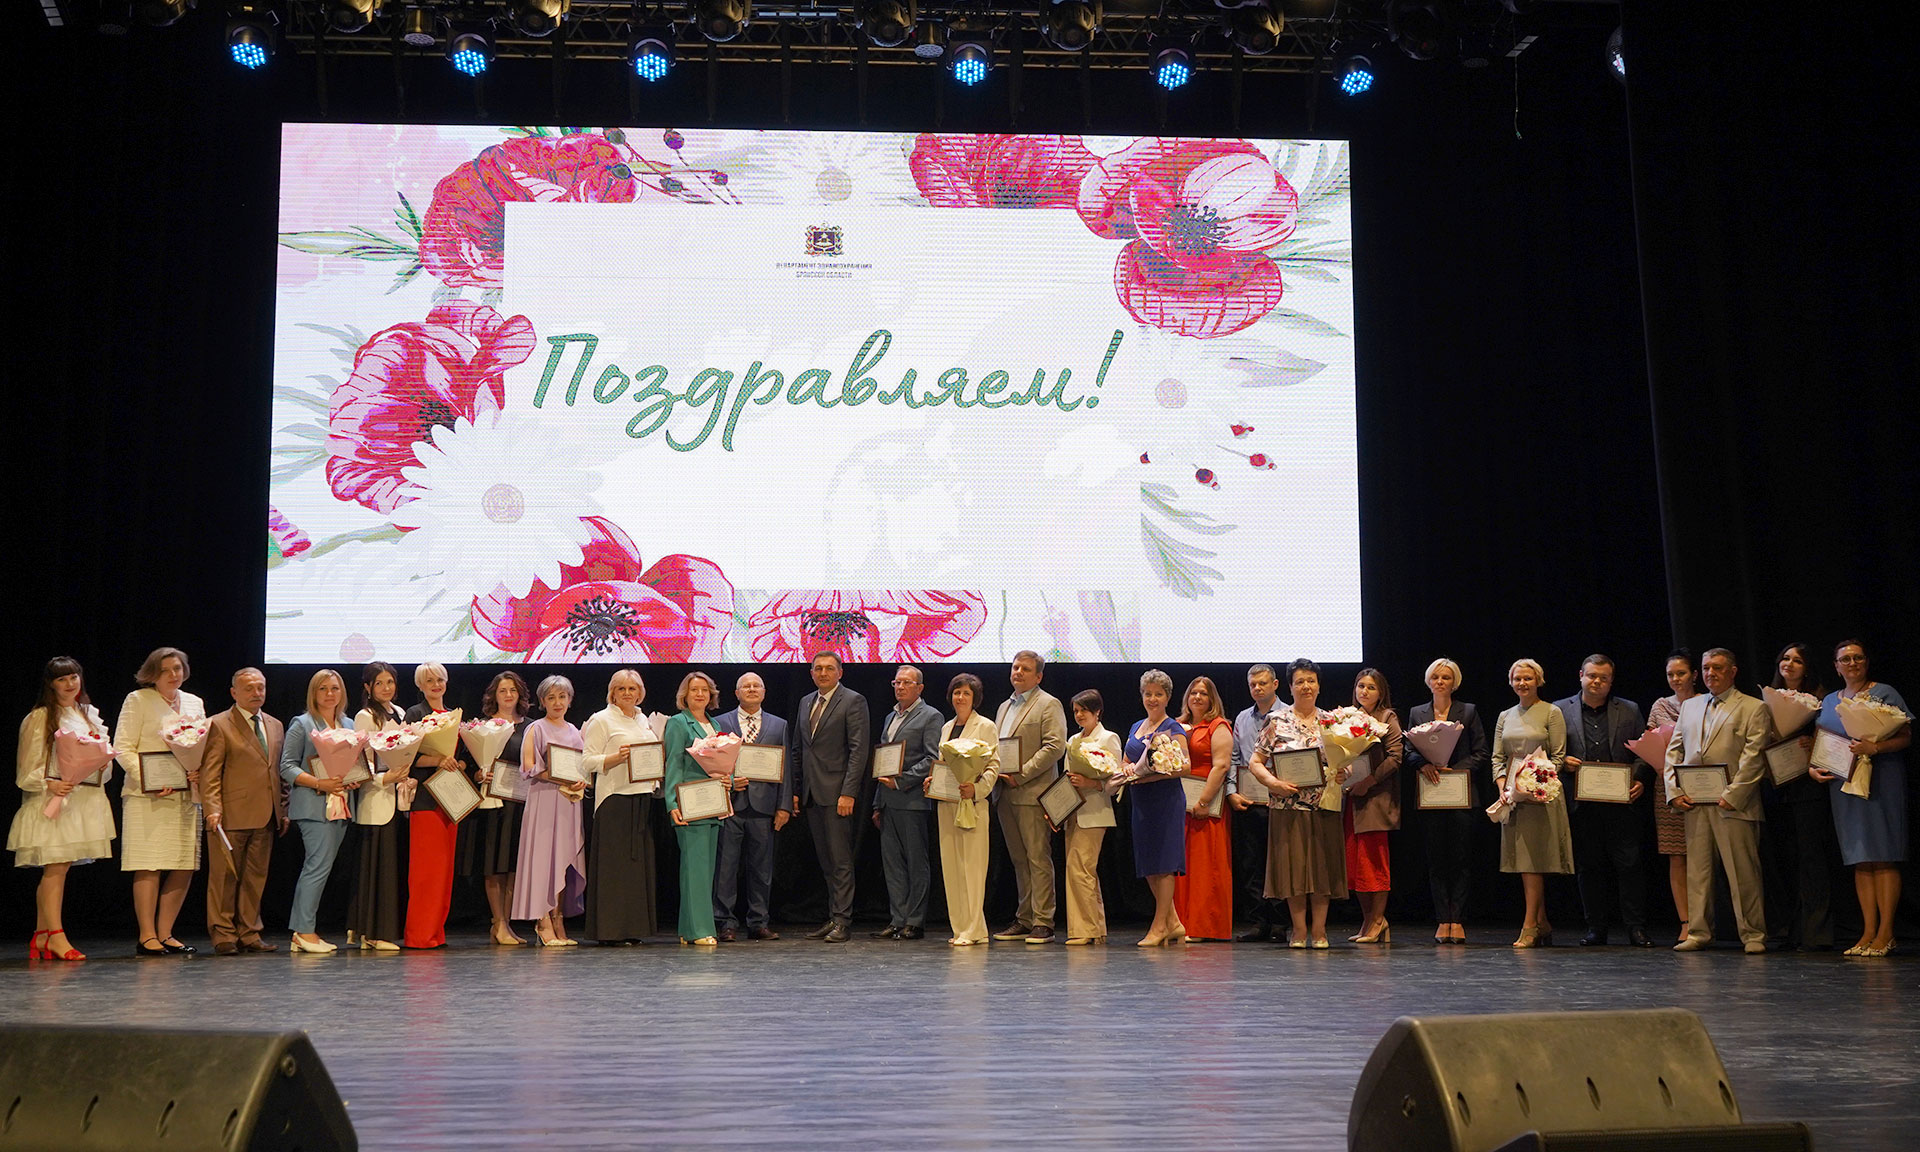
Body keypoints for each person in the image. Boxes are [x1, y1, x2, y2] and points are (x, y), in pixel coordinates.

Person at [1664, 647, 1771, 954]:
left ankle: (1753, 934)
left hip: (1734, 803)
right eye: (1707, 668)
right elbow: (1674, 751)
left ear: (1732, 672)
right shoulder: (1691, 706)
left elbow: (1754, 757)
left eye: (1718, 668)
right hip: (1695, 803)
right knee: (1698, 871)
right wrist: (1674, 791)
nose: (1711, 673)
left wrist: (1733, 794)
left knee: (1742, 872)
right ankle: (1698, 932)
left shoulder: (1753, 707)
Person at [10, 657, 116, 960]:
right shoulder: (41, 717)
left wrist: (100, 765)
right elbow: (25, 771)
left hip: (82, 801)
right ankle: (56, 936)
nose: (70, 684)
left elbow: (103, 766)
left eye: (74, 677)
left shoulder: (87, 715)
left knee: (59, 868)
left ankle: (42, 935)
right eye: (61, 679)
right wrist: (49, 784)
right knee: (55, 867)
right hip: (54, 801)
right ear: (51, 684)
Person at [1810, 640, 1909, 958]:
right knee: (1860, 858)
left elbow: (1905, 735)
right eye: (1845, 659)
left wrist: (1875, 748)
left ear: (1866, 662)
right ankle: (1867, 931)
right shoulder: (1829, 700)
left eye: (1858, 657)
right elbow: (1822, 740)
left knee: (1883, 855)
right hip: (1844, 784)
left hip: (1881, 781)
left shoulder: (1885, 693)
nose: (1852, 663)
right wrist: (1814, 768)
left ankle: (1886, 933)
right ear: (1836, 666)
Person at [1554, 654, 1653, 948]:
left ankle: (1635, 928)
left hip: (1621, 803)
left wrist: (1638, 779)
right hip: (1581, 804)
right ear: (1581, 675)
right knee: (1589, 867)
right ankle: (1596, 928)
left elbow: (1643, 751)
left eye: (1603, 678)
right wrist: (1562, 762)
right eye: (1592, 676)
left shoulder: (1630, 709)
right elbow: (1548, 752)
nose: (1597, 681)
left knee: (1630, 865)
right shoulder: (1559, 710)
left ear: (1611, 681)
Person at [1243, 659, 1341, 948]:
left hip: (1324, 806)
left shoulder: (1333, 722)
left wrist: (1343, 771)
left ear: (1319, 686)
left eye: (1311, 681)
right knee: (1294, 871)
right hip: (1286, 807)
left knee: (1322, 871)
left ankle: (1319, 931)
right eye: (1300, 681)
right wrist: (1273, 783)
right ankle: (1299, 930)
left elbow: (1343, 762)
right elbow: (1255, 762)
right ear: (1290, 687)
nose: (1306, 686)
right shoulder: (1276, 720)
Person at [115, 647, 204, 957]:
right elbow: (122, 748)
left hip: (184, 796)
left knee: (183, 864)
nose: (173, 674)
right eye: (165, 670)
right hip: (147, 797)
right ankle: (147, 935)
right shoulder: (137, 700)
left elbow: (200, 745)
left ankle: (166, 933)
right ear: (153, 674)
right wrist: (148, 780)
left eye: (177, 668)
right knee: (148, 863)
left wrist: (198, 770)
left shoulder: (194, 702)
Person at [199, 667, 286, 955]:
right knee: (224, 877)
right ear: (234, 692)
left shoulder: (274, 725)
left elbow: (278, 772)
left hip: (266, 814)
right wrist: (212, 809)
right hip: (230, 815)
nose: (256, 693)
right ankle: (223, 934)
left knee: (255, 878)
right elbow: (210, 772)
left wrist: (283, 809)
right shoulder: (219, 724)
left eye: (260, 687)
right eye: (249, 688)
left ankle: (249, 932)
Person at [789, 652, 869, 943]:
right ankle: (834, 916)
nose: (823, 673)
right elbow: (798, 749)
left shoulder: (853, 701)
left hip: (837, 794)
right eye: (818, 668)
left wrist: (848, 792)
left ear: (840, 672)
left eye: (829, 668)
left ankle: (843, 921)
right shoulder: (805, 702)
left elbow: (859, 751)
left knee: (841, 861)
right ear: (811, 673)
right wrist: (796, 791)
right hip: (811, 793)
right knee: (826, 862)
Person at [1492, 659, 1573, 948]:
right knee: (1526, 862)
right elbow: (1497, 758)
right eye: (1517, 679)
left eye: (1528, 678)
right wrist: (1505, 788)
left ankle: (1529, 926)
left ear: (1538, 680)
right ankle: (1542, 922)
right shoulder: (1505, 715)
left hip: (1541, 794)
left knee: (1533, 863)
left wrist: (1535, 782)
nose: (1522, 683)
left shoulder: (1552, 712)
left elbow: (1559, 757)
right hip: (1514, 797)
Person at [1406, 658, 1486, 945]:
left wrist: (1458, 770)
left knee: (1461, 859)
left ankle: (1458, 920)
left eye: (1446, 678)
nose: (1440, 682)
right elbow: (1408, 750)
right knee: (1436, 860)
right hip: (1431, 793)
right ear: (1429, 681)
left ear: (1455, 682)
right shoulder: (1417, 712)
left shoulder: (1469, 711)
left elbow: (1481, 752)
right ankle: (1443, 920)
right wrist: (1423, 764)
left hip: (1461, 793)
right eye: (1436, 677)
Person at [991, 650, 1070, 944]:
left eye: (1025, 669)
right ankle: (1024, 918)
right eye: (1015, 667)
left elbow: (1054, 747)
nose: (1018, 672)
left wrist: (1021, 774)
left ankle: (1043, 921)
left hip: (1032, 792)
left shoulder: (1049, 703)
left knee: (1037, 858)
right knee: (1019, 859)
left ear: (1038, 676)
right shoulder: (1003, 707)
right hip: (1004, 792)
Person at [279, 669, 360, 954]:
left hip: (341, 805)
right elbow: (286, 766)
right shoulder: (301, 724)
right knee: (316, 868)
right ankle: (304, 932)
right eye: (323, 688)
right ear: (313, 693)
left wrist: (354, 778)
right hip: (314, 807)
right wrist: (319, 783)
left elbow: (355, 764)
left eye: (334, 688)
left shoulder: (349, 724)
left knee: (321, 868)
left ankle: (304, 931)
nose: (329, 693)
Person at [1759, 642, 1834, 951]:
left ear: (1807, 668)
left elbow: (1831, 741)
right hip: (1776, 787)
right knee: (1784, 860)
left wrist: (1811, 744)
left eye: (1797, 661)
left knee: (1811, 859)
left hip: (1807, 787)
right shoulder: (1766, 700)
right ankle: (1790, 930)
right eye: (1785, 658)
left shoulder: (1821, 701)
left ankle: (1816, 933)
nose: (1789, 664)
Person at [581, 669, 661, 945]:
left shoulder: (644, 720)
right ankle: (609, 931)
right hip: (614, 799)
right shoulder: (601, 720)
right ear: (612, 693)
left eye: (632, 688)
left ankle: (631, 928)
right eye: (621, 689)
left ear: (640, 693)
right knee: (613, 869)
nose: (627, 693)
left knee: (635, 869)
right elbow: (587, 761)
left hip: (642, 798)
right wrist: (616, 757)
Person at [713, 673, 791, 942]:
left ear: (764, 692)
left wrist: (784, 806)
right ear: (736, 693)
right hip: (730, 805)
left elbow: (786, 768)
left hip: (764, 807)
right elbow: (713, 763)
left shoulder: (779, 725)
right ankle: (725, 922)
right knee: (725, 868)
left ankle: (758, 922)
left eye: (756, 685)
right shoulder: (721, 722)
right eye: (745, 686)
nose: (751, 689)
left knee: (761, 869)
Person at [870, 666, 943, 940]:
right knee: (893, 865)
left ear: (919, 688)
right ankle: (897, 919)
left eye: (906, 683)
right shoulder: (890, 716)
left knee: (916, 863)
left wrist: (901, 781)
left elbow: (932, 758)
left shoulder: (931, 715)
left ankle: (915, 921)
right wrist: (878, 803)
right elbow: (883, 762)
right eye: (897, 682)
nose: (900, 687)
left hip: (912, 800)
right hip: (888, 801)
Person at [513, 675, 586, 947]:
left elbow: (582, 766)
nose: (558, 702)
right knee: (544, 860)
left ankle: (558, 918)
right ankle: (542, 920)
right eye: (551, 697)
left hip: (569, 802)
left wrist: (580, 780)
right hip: (544, 800)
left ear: (570, 700)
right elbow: (528, 767)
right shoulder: (536, 728)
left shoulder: (575, 731)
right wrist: (557, 776)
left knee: (563, 860)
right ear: (542, 701)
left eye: (562, 697)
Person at [464, 671, 531, 946]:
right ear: (494, 695)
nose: (508, 695)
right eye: (503, 690)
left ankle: (505, 924)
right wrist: (480, 774)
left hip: (520, 804)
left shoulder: (530, 727)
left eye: (513, 690)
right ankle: (498, 921)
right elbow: (469, 766)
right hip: (493, 804)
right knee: (494, 864)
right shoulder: (482, 727)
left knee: (513, 865)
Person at [403, 661, 467, 949]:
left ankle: (435, 932)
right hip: (426, 800)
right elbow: (409, 757)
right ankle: (419, 935)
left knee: (444, 871)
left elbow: (465, 757)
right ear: (420, 685)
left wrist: (458, 763)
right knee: (426, 871)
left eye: (439, 679)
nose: (436, 685)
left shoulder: (454, 715)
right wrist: (439, 760)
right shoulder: (415, 715)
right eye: (429, 680)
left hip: (451, 799)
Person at [1123, 669, 1188, 947]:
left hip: (1165, 800)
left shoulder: (1173, 728)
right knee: (1149, 864)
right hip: (1141, 801)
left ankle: (1159, 926)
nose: (1152, 699)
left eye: (1158, 694)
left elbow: (1184, 766)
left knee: (1164, 864)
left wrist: (1151, 775)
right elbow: (1126, 761)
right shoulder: (1136, 726)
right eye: (1148, 694)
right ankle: (1173, 923)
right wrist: (1127, 770)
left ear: (1167, 697)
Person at [346, 662, 408, 952]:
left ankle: (378, 931)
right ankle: (370, 933)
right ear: (368, 687)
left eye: (390, 682)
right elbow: (360, 761)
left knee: (390, 868)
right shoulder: (365, 716)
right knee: (375, 868)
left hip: (398, 799)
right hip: (375, 798)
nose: (386, 688)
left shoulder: (401, 713)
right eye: (380, 683)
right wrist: (385, 778)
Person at [935, 673, 1001, 946]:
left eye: (966, 693)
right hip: (947, 804)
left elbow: (993, 765)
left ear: (975, 698)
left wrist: (977, 789)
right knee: (952, 868)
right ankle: (962, 928)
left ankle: (973, 930)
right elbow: (943, 765)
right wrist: (932, 781)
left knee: (972, 868)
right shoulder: (946, 727)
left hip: (972, 805)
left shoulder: (985, 726)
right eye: (956, 692)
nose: (960, 697)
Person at [664, 671, 724, 947]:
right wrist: (672, 803)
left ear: (711, 695)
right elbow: (674, 763)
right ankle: (700, 930)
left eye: (704, 690)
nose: (699, 694)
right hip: (690, 803)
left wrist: (729, 779)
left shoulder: (715, 724)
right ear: (684, 696)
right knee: (695, 869)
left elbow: (720, 765)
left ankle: (688, 929)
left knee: (703, 870)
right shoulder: (678, 723)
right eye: (694, 690)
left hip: (714, 803)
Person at [1647, 649, 1703, 942]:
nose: (1676, 679)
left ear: (1694, 675)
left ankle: (1706, 920)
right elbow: (1649, 742)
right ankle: (1686, 922)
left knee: (1704, 857)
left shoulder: (1707, 703)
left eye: (1681, 673)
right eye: (1671, 674)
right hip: (1667, 787)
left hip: (1703, 786)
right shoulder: (1660, 706)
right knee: (1677, 857)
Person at [1345, 668, 1404, 944]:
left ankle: (1379, 919)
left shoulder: (1387, 717)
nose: (1364, 691)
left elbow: (1395, 758)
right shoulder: (1346, 718)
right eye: (1361, 686)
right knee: (1355, 865)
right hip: (1351, 799)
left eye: (1371, 687)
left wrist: (1368, 782)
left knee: (1374, 862)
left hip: (1375, 798)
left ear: (1380, 692)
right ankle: (1368, 920)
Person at [1228, 664, 1285, 941]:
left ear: (1275, 684)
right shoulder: (1242, 718)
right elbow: (1234, 759)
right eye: (1253, 684)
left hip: (1280, 800)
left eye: (1262, 683)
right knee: (1251, 863)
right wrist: (1231, 791)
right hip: (1249, 801)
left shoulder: (1288, 714)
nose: (1257, 688)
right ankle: (1257, 921)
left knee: (1279, 863)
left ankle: (1280, 923)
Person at [1174, 676, 1234, 942]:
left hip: (1205, 806)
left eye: (1203, 693)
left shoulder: (1218, 726)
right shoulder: (1178, 725)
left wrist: (1203, 801)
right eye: (1193, 692)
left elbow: (1221, 766)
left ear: (1212, 699)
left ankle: (1202, 926)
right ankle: (1179, 923)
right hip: (1180, 805)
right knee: (1181, 866)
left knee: (1204, 866)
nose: (1197, 697)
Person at [1062, 690, 1121, 946]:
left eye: (1084, 710)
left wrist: (1092, 783)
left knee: (1080, 869)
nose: (1079, 715)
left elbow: (1117, 779)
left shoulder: (1108, 738)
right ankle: (1096, 928)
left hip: (1095, 812)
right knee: (1083, 871)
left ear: (1097, 712)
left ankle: (1085, 929)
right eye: (1076, 711)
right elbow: (1066, 778)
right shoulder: (1073, 740)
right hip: (1073, 811)